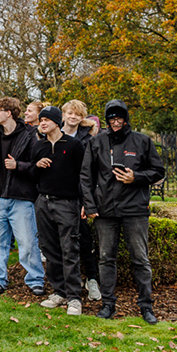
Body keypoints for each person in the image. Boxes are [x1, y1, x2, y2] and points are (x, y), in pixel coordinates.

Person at [81, 100, 164, 324]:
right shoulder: (96, 142)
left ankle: (146, 305)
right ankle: (108, 304)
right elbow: (86, 176)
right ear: (106, 120)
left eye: (119, 118)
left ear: (126, 119)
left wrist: (136, 178)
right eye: (111, 118)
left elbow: (158, 170)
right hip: (105, 211)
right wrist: (90, 206)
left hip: (135, 209)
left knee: (140, 258)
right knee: (106, 258)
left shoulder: (142, 141)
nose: (116, 122)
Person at [0, 97, 45, 296]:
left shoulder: (30, 135)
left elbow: (38, 167)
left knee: (27, 243)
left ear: (9, 113)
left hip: (22, 198)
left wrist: (19, 166)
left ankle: (35, 280)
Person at [30, 106, 86, 316]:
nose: (42, 123)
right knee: (50, 249)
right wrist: (37, 166)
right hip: (43, 202)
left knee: (69, 249)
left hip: (67, 203)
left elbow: (84, 175)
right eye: (40, 120)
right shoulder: (38, 146)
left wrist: (84, 203)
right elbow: (32, 176)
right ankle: (59, 291)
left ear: (56, 121)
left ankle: (74, 298)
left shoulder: (74, 145)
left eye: (46, 120)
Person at [61, 99, 100, 299]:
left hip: (79, 195)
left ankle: (91, 278)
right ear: (64, 115)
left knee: (84, 238)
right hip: (58, 195)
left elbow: (90, 172)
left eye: (77, 114)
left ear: (82, 118)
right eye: (70, 113)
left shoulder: (89, 139)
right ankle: (62, 284)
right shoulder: (52, 135)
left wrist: (87, 201)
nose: (73, 117)